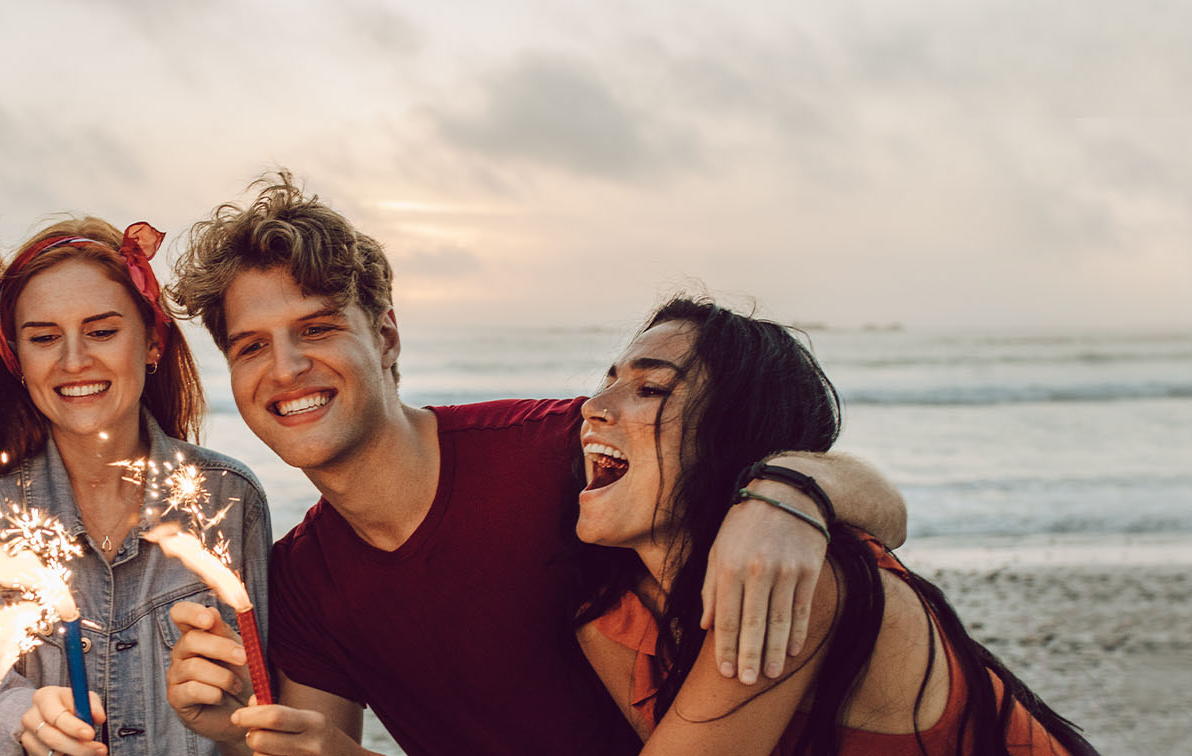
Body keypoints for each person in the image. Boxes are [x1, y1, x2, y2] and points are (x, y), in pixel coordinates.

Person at [159, 172, 907, 756]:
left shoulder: (565, 447)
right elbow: (313, 748)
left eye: (316, 328)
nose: (285, 368)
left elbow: (884, 511)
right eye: (251, 346)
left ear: (385, 337)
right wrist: (236, 729)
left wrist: (791, 494)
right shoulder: (304, 584)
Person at [572, 296, 1096, 754]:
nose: (592, 408)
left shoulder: (808, 579)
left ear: (732, 434)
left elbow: (888, 513)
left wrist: (786, 491)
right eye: (610, 383)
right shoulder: (613, 616)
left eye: (652, 389)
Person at [0, 218, 270, 756]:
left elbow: (267, 721)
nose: (74, 361)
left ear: (152, 340)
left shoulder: (228, 500)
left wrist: (239, 715)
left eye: (102, 331)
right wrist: (21, 720)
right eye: (44, 338)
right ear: (17, 359)